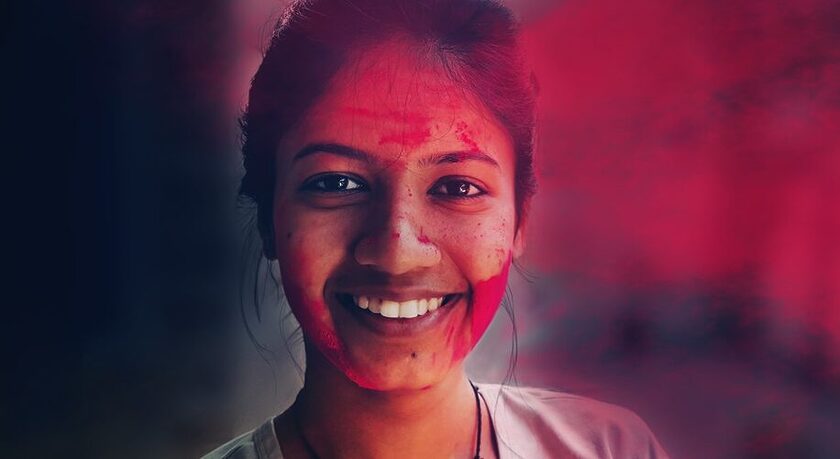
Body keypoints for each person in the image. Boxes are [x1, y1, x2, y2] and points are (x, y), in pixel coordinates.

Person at [205, 0, 668, 457]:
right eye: (337, 183)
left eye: (458, 189)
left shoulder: (611, 448)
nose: (398, 252)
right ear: (269, 215)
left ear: (520, 219)